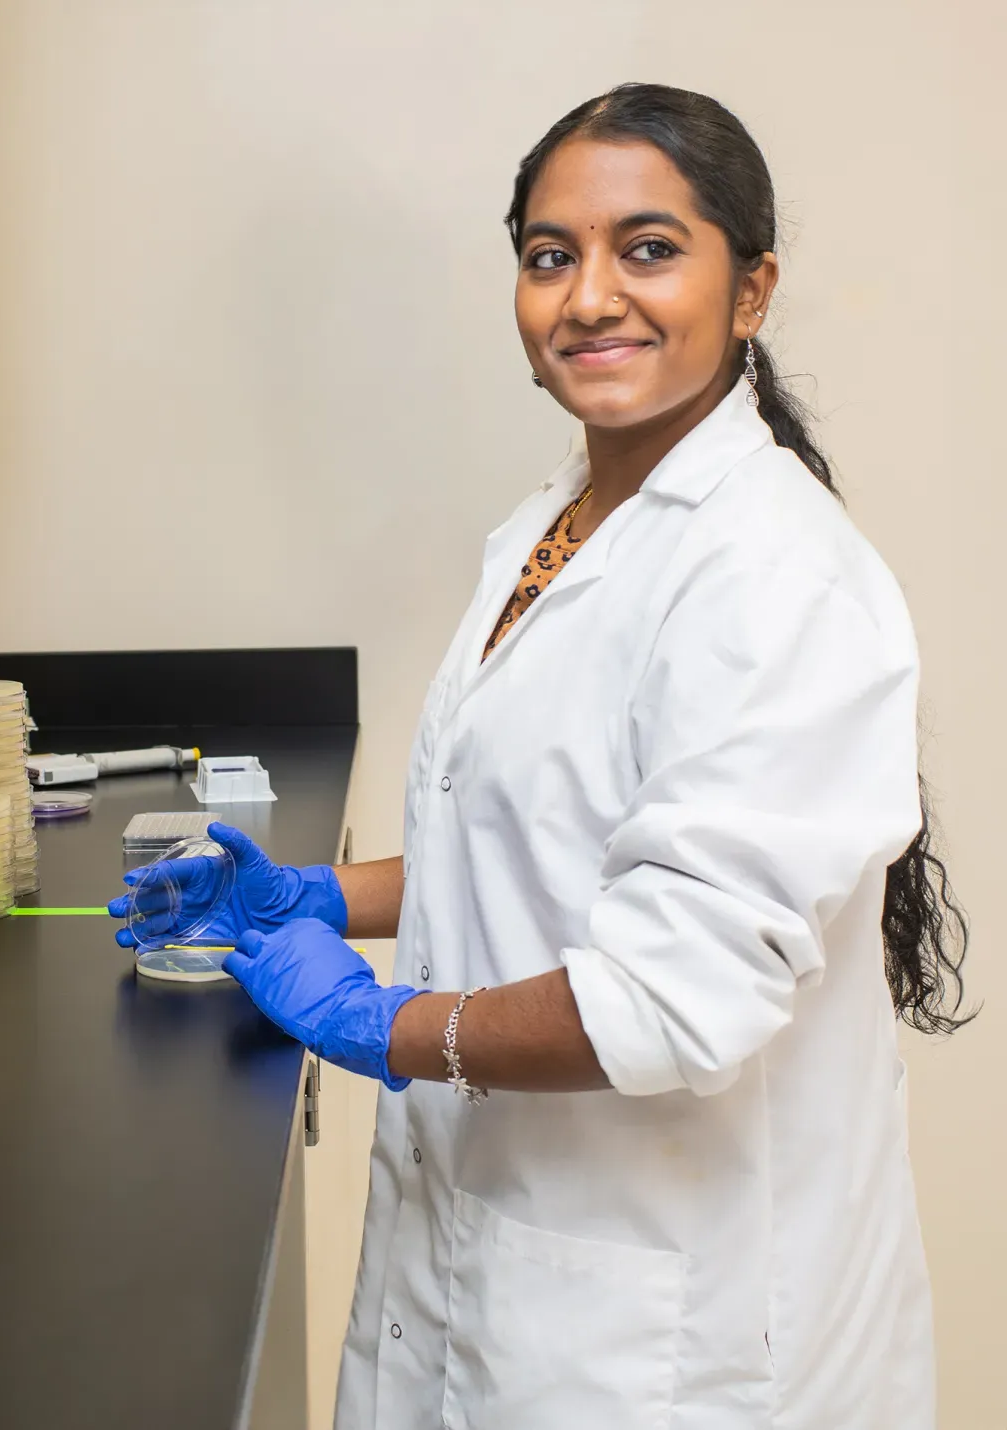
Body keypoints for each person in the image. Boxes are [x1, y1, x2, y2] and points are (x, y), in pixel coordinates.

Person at [110, 83, 970, 1430]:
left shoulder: (775, 577)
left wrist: (381, 1024)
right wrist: (325, 897)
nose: (588, 297)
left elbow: (671, 996)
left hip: (672, 1342)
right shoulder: (550, 531)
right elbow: (530, 828)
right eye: (549, 254)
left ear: (752, 291)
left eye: (647, 248)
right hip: (508, 1274)